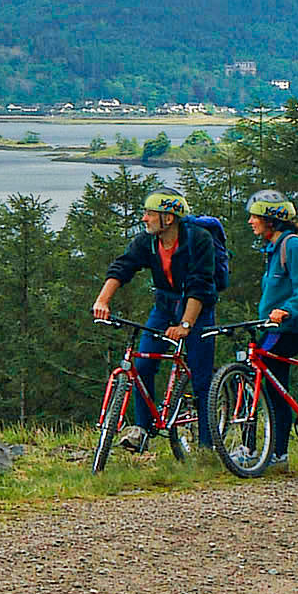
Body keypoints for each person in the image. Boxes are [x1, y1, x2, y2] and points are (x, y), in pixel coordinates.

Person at [86, 189, 225, 442]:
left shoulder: (199, 240)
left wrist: (186, 324)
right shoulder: (147, 242)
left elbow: (201, 285)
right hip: (163, 307)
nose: (144, 218)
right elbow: (123, 266)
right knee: (143, 365)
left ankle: (208, 446)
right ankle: (142, 430)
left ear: (168, 218)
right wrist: (103, 300)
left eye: (150, 214)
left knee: (201, 377)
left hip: (198, 309)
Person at [240, 190, 298, 442]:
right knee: (257, 377)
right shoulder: (273, 249)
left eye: (255, 217)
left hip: (287, 330)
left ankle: (277, 452)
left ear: (271, 220)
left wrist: (287, 310)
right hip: (271, 329)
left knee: (273, 387)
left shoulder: (292, 245)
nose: (250, 222)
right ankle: (255, 449)